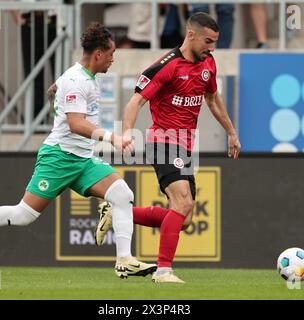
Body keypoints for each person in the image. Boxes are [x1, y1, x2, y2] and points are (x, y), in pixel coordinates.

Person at [0, 22, 157, 279]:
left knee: (122, 194)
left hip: (83, 159)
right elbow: (76, 123)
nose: (113, 59)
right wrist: (112, 138)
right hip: (58, 157)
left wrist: (56, 102)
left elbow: (52, 92)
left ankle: (124, 260)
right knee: (23, 214)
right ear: (98, 54)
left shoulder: (81, 78)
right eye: (111, 54)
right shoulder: (77, 79)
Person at [94, 12, 241, 283]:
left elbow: (212, 99)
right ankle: (163, 271)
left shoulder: (208, 63)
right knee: (182, 200)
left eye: (215, 42)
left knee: (183, 217)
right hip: (162, 140)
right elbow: (134, 102)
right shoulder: (167, 66)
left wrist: (231, 132)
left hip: (185, 147)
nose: (211, 48)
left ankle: (117, 213)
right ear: (191, 35)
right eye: (208, 41)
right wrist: (126, 133)